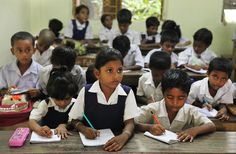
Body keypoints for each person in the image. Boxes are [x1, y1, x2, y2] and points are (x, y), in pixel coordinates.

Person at [68, 49, 138, 152]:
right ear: (97, 73)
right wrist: (84, 129)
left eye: (119, 70)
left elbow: (130, 123)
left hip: (117, 144)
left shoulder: (127, 92)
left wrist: (125, 136)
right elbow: (74, 120)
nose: (116, 76)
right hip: (89, 145)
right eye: (110, 70)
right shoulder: (86, 92)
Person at [135, 69, 216, 142]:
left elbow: (211, 125)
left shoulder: (190, 111)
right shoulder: (153, 108)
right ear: (163, 94)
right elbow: (131, 123)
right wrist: (149, 128)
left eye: (181, 98)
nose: (175, 103)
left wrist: (193, 131)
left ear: (187, 96)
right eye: (170, 97)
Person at [29, 67, 78, 139]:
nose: (62, 103)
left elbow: (76, 122)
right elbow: (32, 121)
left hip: (70, 140)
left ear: (72, 94)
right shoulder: (45, 104)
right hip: (48, 139)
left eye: (67, 99)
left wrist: (63, 125)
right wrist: (39, 129)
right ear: (51, 96)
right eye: (58, 99)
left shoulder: (75, 104)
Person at [0, 31, 42, 98]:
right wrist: (6, 91)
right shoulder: (5, 69)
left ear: (34, 50)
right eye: (19, 50)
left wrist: (37, 93)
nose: (24, 55)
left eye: (28, 50)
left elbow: (43, 93)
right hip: (10, 104)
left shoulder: (40, 70)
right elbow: (1, 90)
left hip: (32, 105)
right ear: (13, 51)